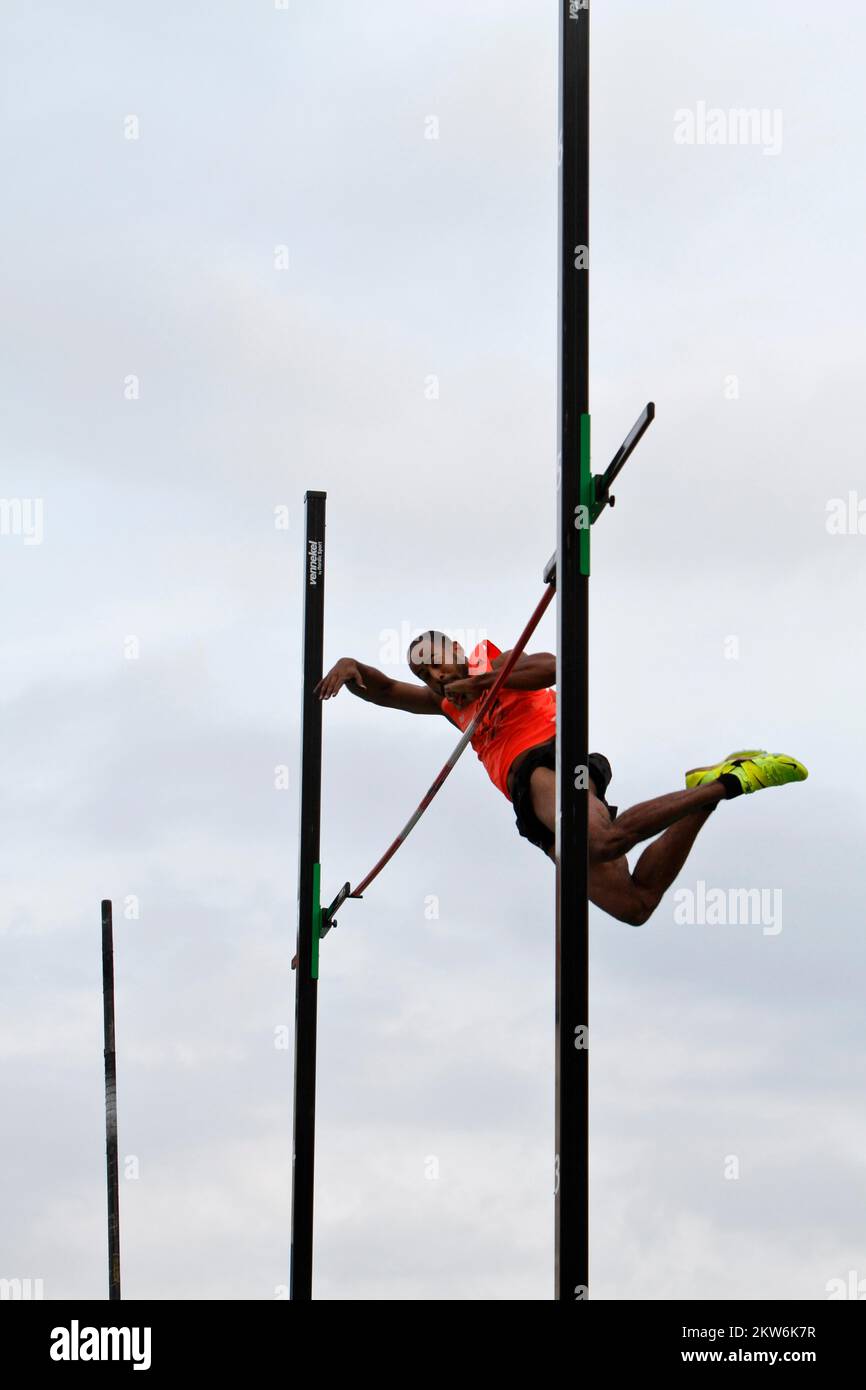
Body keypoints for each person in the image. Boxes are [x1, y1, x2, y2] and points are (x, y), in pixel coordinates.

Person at [315, 632, 807, 926]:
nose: (435, 676)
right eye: (425, 674)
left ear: (458, 650)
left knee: (603, 841)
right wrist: (351, 666)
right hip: (525, 799)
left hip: (547, 760)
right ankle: (703, 793)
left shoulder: (492, 659)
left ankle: (735, 781)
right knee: (635, 904)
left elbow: (551, 668)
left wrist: (485, 681)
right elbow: (381, 691)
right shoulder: (446, 706)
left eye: (438, 661)